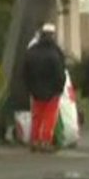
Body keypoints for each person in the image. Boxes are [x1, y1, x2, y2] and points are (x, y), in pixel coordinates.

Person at [23, 23, 66, 152]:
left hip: (35, 90)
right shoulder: (55, 52)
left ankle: (34, 140)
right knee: (49, 117)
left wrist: (30, 87)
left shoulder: (32, 51)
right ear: (53, 35)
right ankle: (45, 141)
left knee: (37, 116)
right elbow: (60, 72)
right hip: (52, 91)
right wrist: (59, 88)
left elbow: (25, 71)